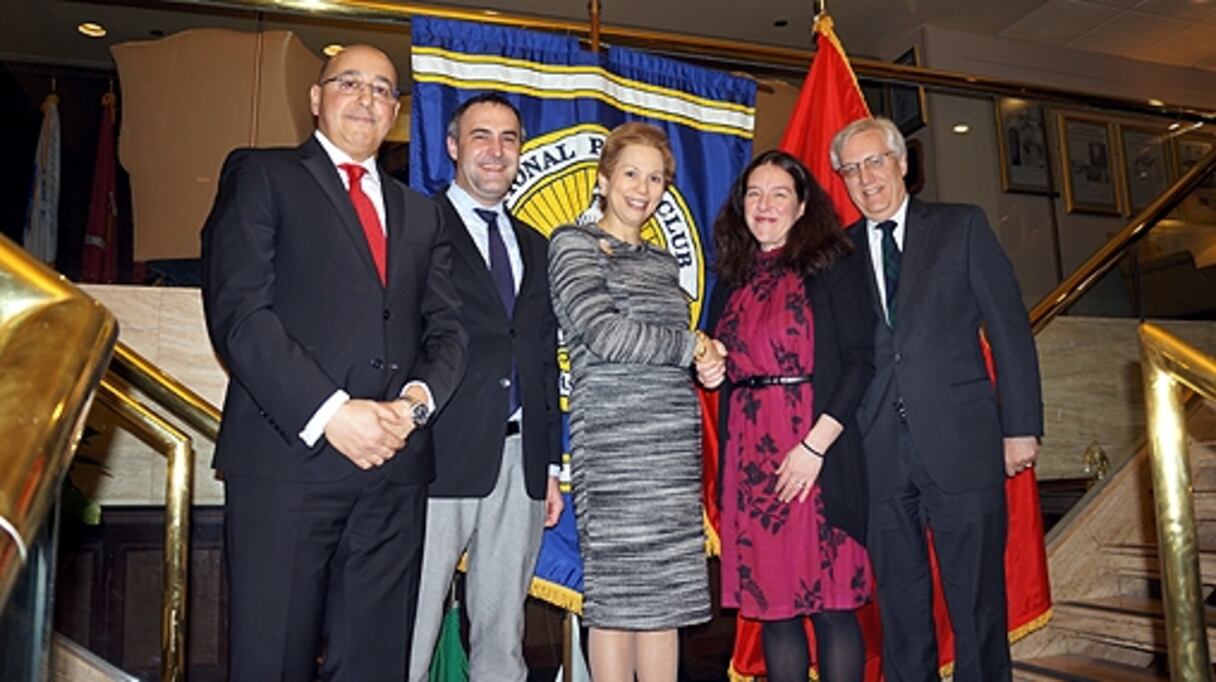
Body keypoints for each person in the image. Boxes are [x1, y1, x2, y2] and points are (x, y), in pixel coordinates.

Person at [201, 45, 466, 681]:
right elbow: (240, 314)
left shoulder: (423, 213)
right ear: (317, 98)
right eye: (349, 82)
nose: (366, 98)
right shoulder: (262, 175)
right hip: (287, 465)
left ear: (396, 112)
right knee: (271, 661)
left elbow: (450, 330)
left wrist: (412, 407)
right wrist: (333, 414)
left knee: (375, 664)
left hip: (394, 473)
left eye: (381, 89)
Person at [829, 117, 1043, 681]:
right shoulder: (835, 255)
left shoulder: (961, 227)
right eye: (851, 169)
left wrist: (1021, 426)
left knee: (977, 606)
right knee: (900, 612)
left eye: (874, 161)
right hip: (875, 454)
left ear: (901, 163)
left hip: (963, 442)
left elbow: (1009, 329)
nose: (865, 178)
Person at [547, 121, 720, 682]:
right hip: (614, 452)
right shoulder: (572, 245)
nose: (642, 188)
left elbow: (679, 354)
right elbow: (606, 335)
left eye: (655, 178)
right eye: (630, 174)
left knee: (664, 606)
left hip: (670, 456)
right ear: (603, 180)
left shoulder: (664, 264)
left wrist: (709, 362)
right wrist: (690, 346)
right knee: (618, 607)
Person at [696, 150, 875, 682]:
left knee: (831, 605)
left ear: (801, 207)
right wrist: (712, 370)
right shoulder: (731, 275)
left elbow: (861, 362)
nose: (765, 205)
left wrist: (815, 447)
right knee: (774, 611)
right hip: (751, 462)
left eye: (779, 194)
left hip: (817, 452)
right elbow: (723, 359)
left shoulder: (833, 264)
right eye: (754, 194)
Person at [408, 92, 563, 682]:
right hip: (438, 454)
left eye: (508, 139)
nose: (496, 151)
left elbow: (541, 356)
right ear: (452, 147)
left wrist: (549, 464)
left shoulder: (535, 244)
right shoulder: (417, 226)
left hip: (520, 461)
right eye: (481, 136)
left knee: (504, 633)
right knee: (414, 622)